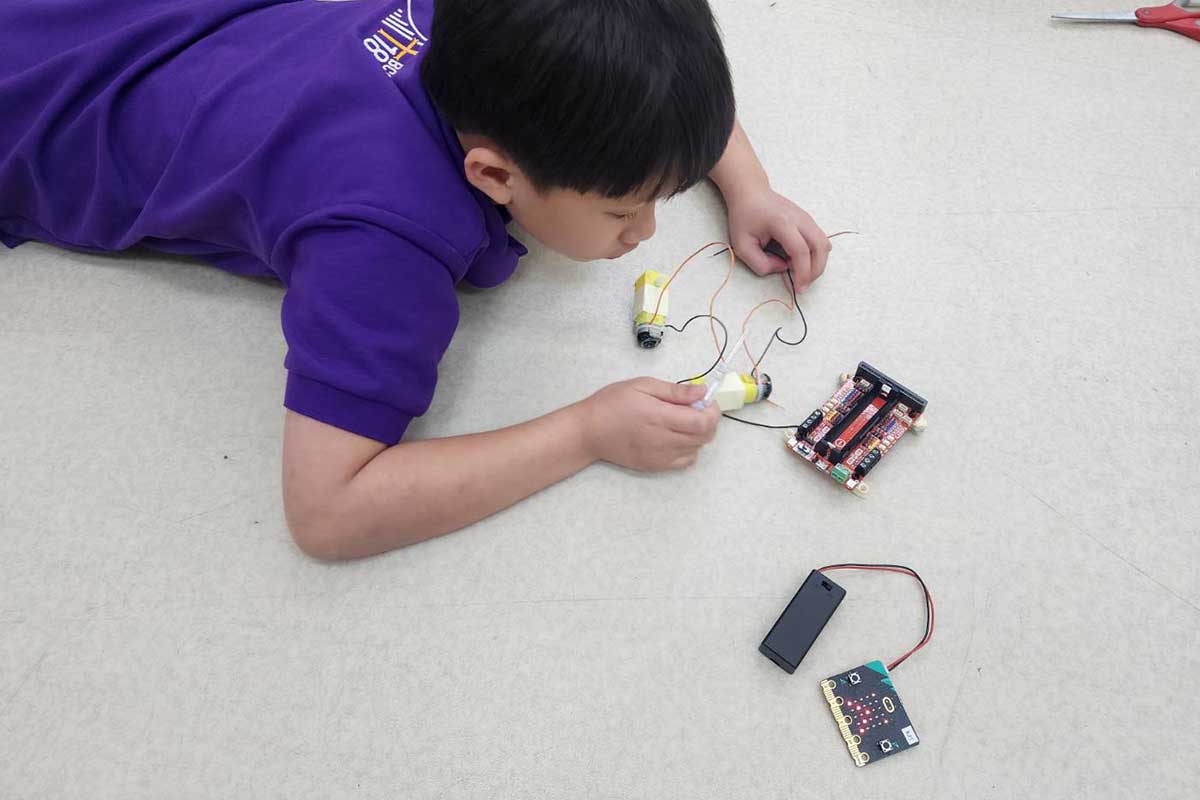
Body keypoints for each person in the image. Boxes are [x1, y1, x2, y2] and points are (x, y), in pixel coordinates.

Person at [0, 0, 832, 559]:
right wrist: (586, 433)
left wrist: (748, 185)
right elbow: (328, 511)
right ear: (494, 176)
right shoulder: (388, 239)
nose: (645, 232)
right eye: (626, 208)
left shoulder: (477, 21)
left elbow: (651, 74)